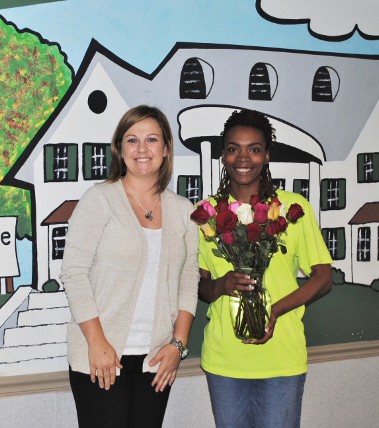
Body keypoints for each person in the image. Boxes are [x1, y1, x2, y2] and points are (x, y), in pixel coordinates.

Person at [60, 105, 199, 428]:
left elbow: (189, 277)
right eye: (132, 140)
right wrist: (97, 343)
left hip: (156, 359)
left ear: (166, 150)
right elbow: (74, 272)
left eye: (152, 139)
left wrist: (178, 345)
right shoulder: (99, 200)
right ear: (119, 150)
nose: (142, 149)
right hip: (101, 357)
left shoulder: (183, 210)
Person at [197, 109, 333, 428]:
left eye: (254, 149)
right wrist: (222, 286)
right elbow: (200, 286)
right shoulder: (206, 214)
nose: (243, 157)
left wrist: (274, 310)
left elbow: (323, 279)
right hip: (224, 360)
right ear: (223, 155)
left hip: (281, 360)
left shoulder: (291, 210)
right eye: (233, 148)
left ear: (267, 156)